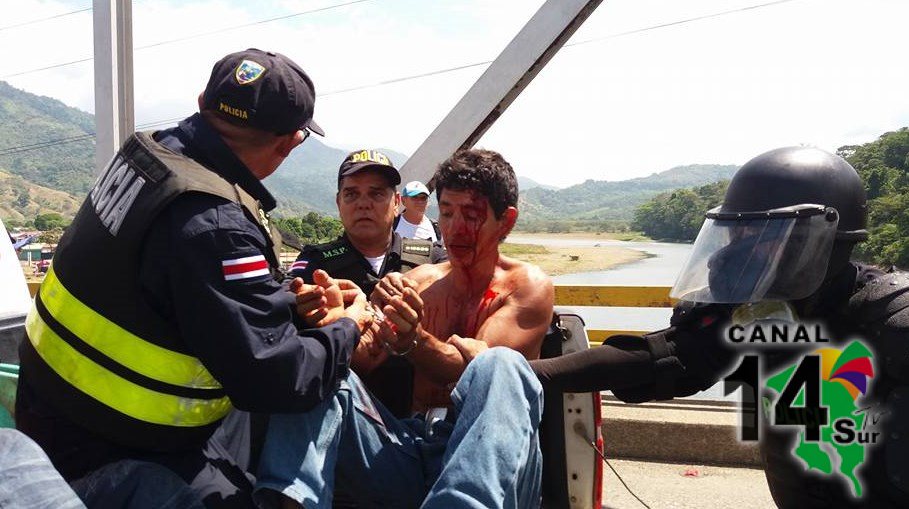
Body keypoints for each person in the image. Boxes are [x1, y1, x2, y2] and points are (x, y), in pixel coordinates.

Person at [15, 48, 372, 506]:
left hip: (48, 411)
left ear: (203, 100)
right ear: (289, 144)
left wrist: (285, 303)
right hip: (117, 454)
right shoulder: (217, 222)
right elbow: (275, 379)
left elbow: (169, 287)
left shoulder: (147, 157)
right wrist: (350, 328)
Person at [530, 146, 909, 508]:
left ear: (819, 241)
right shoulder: (759, 313)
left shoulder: (892, 320)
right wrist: (523, 373)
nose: (737, 253)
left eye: (761, 238)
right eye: (737, 235)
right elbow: (668, 359)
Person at [256, 149, 553, 508]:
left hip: (490, 463)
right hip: (412, 449)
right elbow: (366, 358)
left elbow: (470, 374)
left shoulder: (527, 285)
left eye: (471, 215)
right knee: (323, 368)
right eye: (446, 213)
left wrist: (413, 341)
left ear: (505, 222)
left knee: (499, 364)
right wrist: (340, 326)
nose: (455, 228)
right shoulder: (416, 281)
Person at [290, 150, 446, 418]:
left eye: (376, 194)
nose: (363, 204)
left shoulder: (433, 258)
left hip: (417, 420)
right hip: (341, 419)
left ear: (397, 203)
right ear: (338, 202)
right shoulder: (315, 265)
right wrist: (303, 308)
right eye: (351, 194)